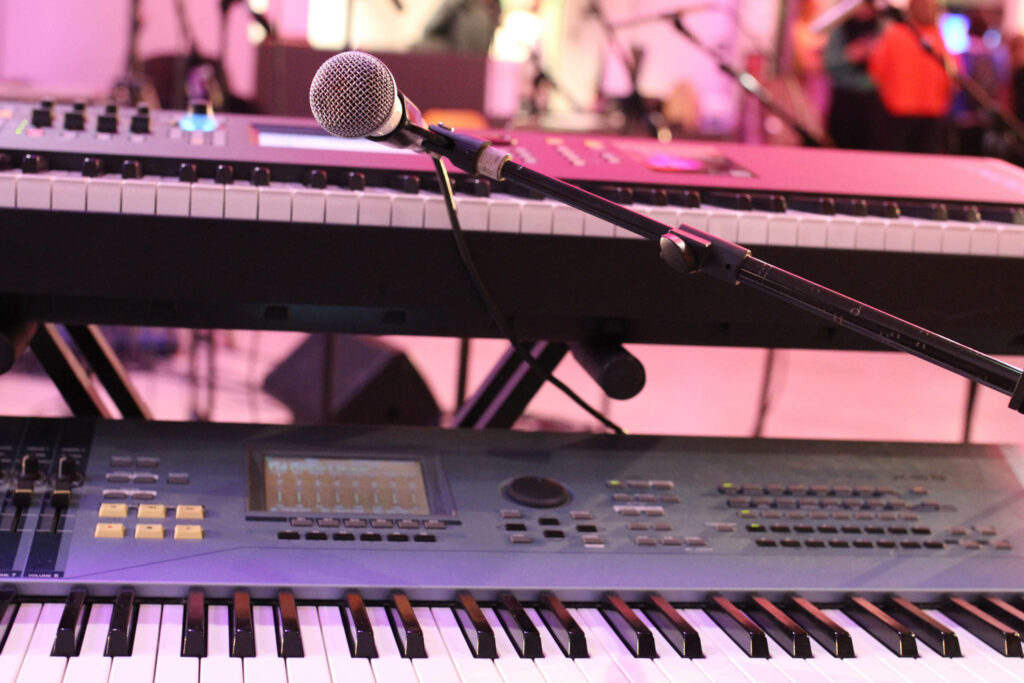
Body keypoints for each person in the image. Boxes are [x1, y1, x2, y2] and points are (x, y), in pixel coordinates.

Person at [868, 0, 955, 153]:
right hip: (906, 113)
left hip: (919, 113)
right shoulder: (936, 38)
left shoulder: (896, 34)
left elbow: (876, 72)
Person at [823, 0, 885, 149]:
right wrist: (850, 54)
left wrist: (875, 54)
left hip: (872, 99)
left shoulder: (882, 27)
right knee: (840, 146)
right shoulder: (841, 27)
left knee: (870, 148)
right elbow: (827, 63)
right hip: (844, 98)